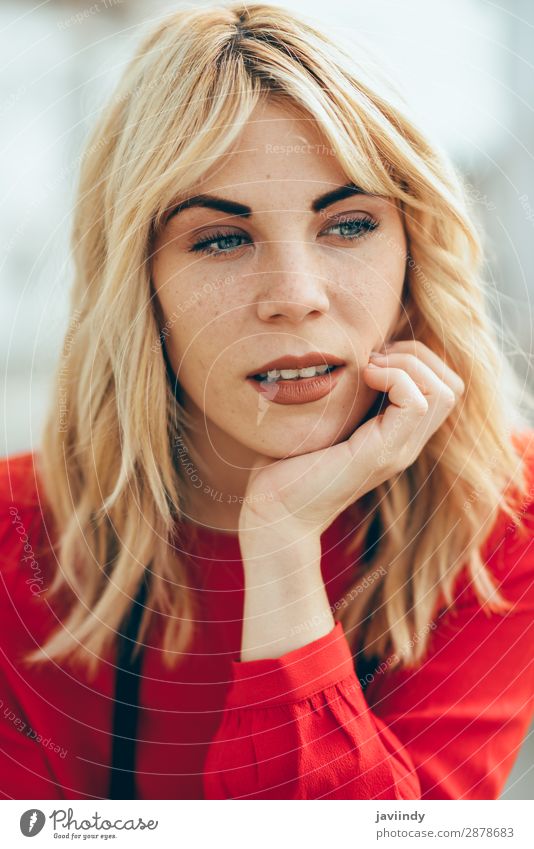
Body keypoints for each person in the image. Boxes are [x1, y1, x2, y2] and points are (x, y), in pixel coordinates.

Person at [1, 1, 533, 801]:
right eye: (221, 239)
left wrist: (281, 544)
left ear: (413, 256)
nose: (295, 296)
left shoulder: (501, 513)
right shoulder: (15, 538)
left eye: (349, 224)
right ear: (138, 284)